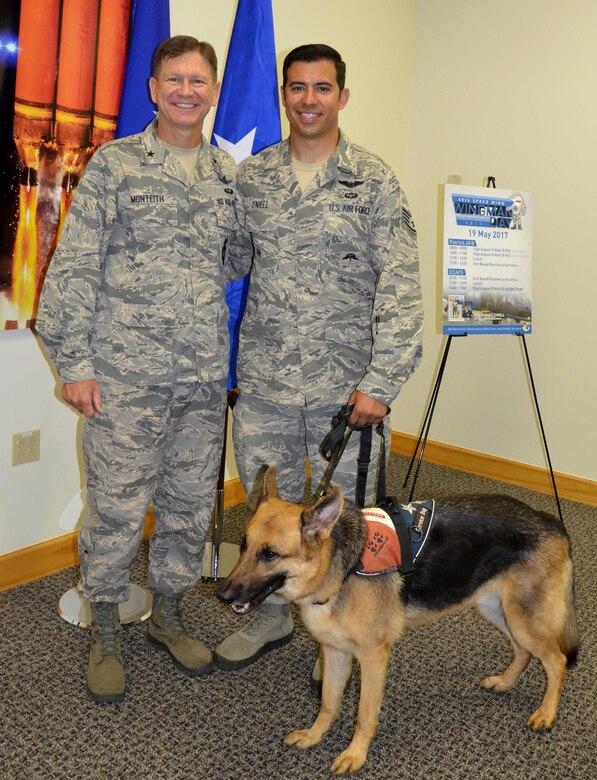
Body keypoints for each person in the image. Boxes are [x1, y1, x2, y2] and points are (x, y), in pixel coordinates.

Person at [36, 36, 241, 702]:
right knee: (117, 512)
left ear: (212, 91)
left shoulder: (227, 178)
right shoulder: (115, 166)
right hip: (124, 378)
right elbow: (72, 265)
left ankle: (170, 615)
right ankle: (105, 628)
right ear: (153, 89)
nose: (187, 90)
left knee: (185, 511)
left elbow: (234, 262)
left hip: (202, 381)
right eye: (174, 79)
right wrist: (76, 363)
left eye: (198, 81)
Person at [216, 44, 423, 675]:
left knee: (354, 524)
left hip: (348, 389)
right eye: (297, 87)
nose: (309, 99)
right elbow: (227, 266)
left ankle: (345, 628)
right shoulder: (253, 179)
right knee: (271, 520)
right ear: (283, 94)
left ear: (342, 96)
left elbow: (403, 286)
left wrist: (381, 382)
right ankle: (273, 616)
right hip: (267, 384)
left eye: (322, 88)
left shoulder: (374, 180)